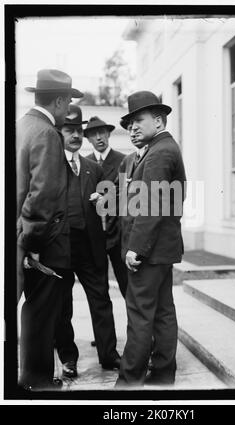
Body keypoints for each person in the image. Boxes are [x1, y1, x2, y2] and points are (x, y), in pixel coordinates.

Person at [114, 91, 186, 387]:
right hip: (161, 250)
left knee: (141, 315)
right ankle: (162, 374)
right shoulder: (161, 148)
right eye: (129, 123)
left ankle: (129, 381)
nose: (131, 128)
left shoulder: (159, 152)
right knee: (163, 312)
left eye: (137, 120)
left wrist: (135, 249)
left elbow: (153, 204)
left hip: (150, 251)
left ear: (158, 120)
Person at [17, 69, 83, 390]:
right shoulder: (46, 133)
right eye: (67, 101)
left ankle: (31, 378)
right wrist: (33, 242)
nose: (67, 108)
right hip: (42, 244)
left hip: (20, 237)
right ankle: (37, 382)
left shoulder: (21, 127)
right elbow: (42, 195)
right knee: (42, 313)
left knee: (33, 309)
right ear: (58, 100)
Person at [55, 105, 121, 379]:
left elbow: (110, 202)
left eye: (78, 131)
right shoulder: (51, 166)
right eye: (69, 130)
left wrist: (105, 199)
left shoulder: (93, 168)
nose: (75, 136)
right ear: (59, 133)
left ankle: (109, 356)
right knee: (62, 307)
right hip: (60, 248)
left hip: (91, 247)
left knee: (101, 301)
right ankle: (68, 359)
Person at [85, 117, 128, 298]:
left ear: (109, 134)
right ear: (88, 139)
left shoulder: (123, 161)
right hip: (95, 239)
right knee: (99, 294)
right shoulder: (84, 163)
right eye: (93, 135)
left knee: (128, 287)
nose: (99, 138)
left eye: (102, 132)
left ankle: (134, 326)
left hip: (119, 235)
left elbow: (129, 196)